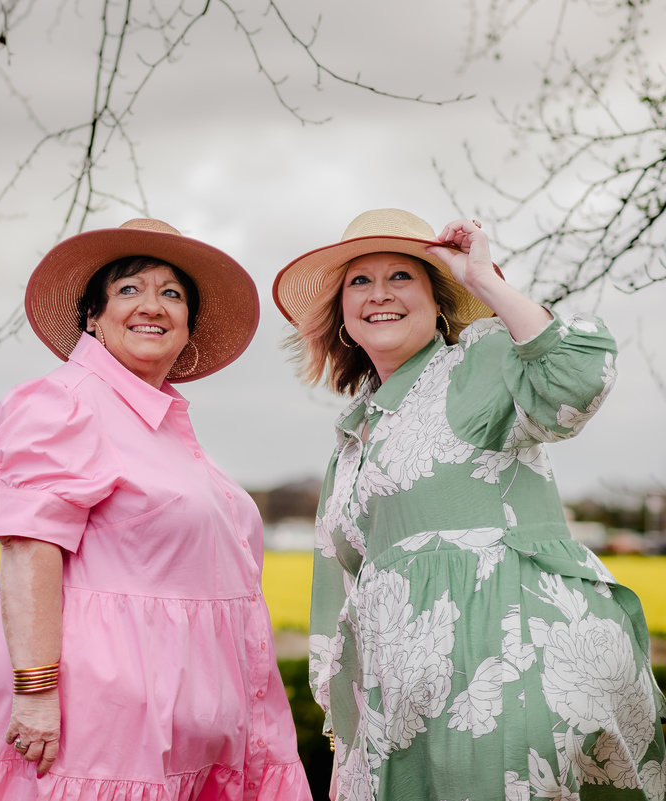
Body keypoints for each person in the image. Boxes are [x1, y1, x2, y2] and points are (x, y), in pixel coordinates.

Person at [273, 208, 666, 800]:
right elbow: (341, 589)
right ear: (342, 317)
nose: (379, 294)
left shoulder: (473, 367)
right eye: (360, 281)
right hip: (402, 705)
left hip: (504, 672)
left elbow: (577, 375)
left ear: (438, 302)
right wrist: (351, 729)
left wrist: (484, 280)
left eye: (402, 276)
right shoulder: (353, 436)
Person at [0, 218, 312, 800]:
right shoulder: (63, 403)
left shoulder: (167, 427)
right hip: (97, 722)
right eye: (129, 289)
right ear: (91, 317)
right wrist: (37, 690)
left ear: (187, 325)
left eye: (172, 293)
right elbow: (29, 549)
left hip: (176, 725)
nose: (154, 305)